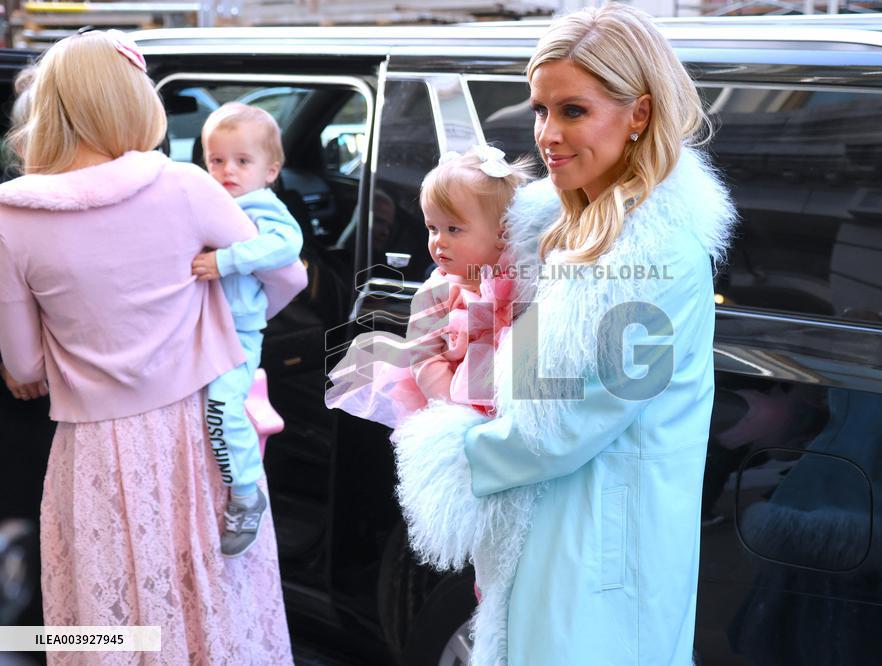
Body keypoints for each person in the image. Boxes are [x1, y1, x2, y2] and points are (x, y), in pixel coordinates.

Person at [391, 4, 737, 665]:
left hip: (603, 545)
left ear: (638, 113)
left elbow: (572, 422)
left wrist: (452, 454)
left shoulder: (657, 254)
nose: (548, 133)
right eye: (541, 110)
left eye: (572, 110)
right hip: (553, 529)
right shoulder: (560, 229)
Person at [0, 30, 305, 664]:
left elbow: (25, 366)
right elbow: (286, 274)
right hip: (200, 434)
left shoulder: (11, 218)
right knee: (214, 608)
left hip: (93, 448)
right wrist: (228, 329)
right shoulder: (186, 186)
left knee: (110, 620)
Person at [325, 146, 531, 428]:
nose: (438, 241)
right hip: (457, 411)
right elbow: (425, 358)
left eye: (453, 229)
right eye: (432, 228)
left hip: (516, 412)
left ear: (502, 232)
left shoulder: (523, 281)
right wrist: (453, 414)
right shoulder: (436, 292)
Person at [191, 103, 304, 558]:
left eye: (242, 161)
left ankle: (244, 493)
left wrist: (225, 260)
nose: (227, 171)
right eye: (217, 160)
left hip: (237, 335)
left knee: (222, 409)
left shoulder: (262, 206)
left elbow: (286, 246)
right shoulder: (211, 203)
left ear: (270, 170)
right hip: (205, 331)